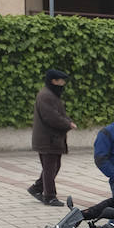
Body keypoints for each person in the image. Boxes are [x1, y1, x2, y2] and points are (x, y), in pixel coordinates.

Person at [29, 68, 75, 207]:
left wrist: (67, 121)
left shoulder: (50, 95)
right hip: (48, 139)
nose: (63, 83)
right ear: (53, 81)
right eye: (61, 80)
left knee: (54, 166)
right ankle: (49, 196)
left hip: (52, 138)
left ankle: (37, 188)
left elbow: (57, 113)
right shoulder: (46, 96)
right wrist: (68, 124)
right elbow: (51, 117)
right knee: (50, 167)